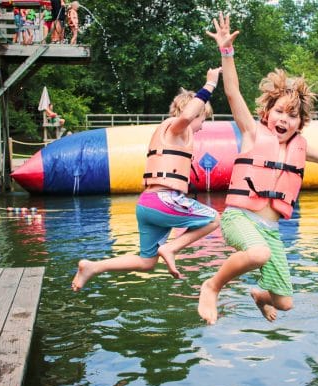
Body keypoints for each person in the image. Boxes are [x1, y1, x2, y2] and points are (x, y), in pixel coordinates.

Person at [197, 13, 318, 325]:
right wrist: (226, 53)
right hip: (239, 218)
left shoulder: (299, 146)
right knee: (257, 255)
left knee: (285, 304)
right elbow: (232, 93)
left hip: (270, 231)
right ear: (266, 113)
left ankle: (260, 295)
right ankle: (211, 286)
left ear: (301, 122)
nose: (285, 119)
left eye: (293, 115)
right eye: (279, 112)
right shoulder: (253, 133)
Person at [71, 68, 223, 291]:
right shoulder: (176, 127)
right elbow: (187, 117)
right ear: (194, 112)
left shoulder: (176, 135)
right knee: (214, 219)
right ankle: (171, 249)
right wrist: (209, 85)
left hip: (148, 204)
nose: (202, 125)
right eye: (203, 119)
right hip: (163, 199)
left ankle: (93, 267)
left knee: (147, 262)